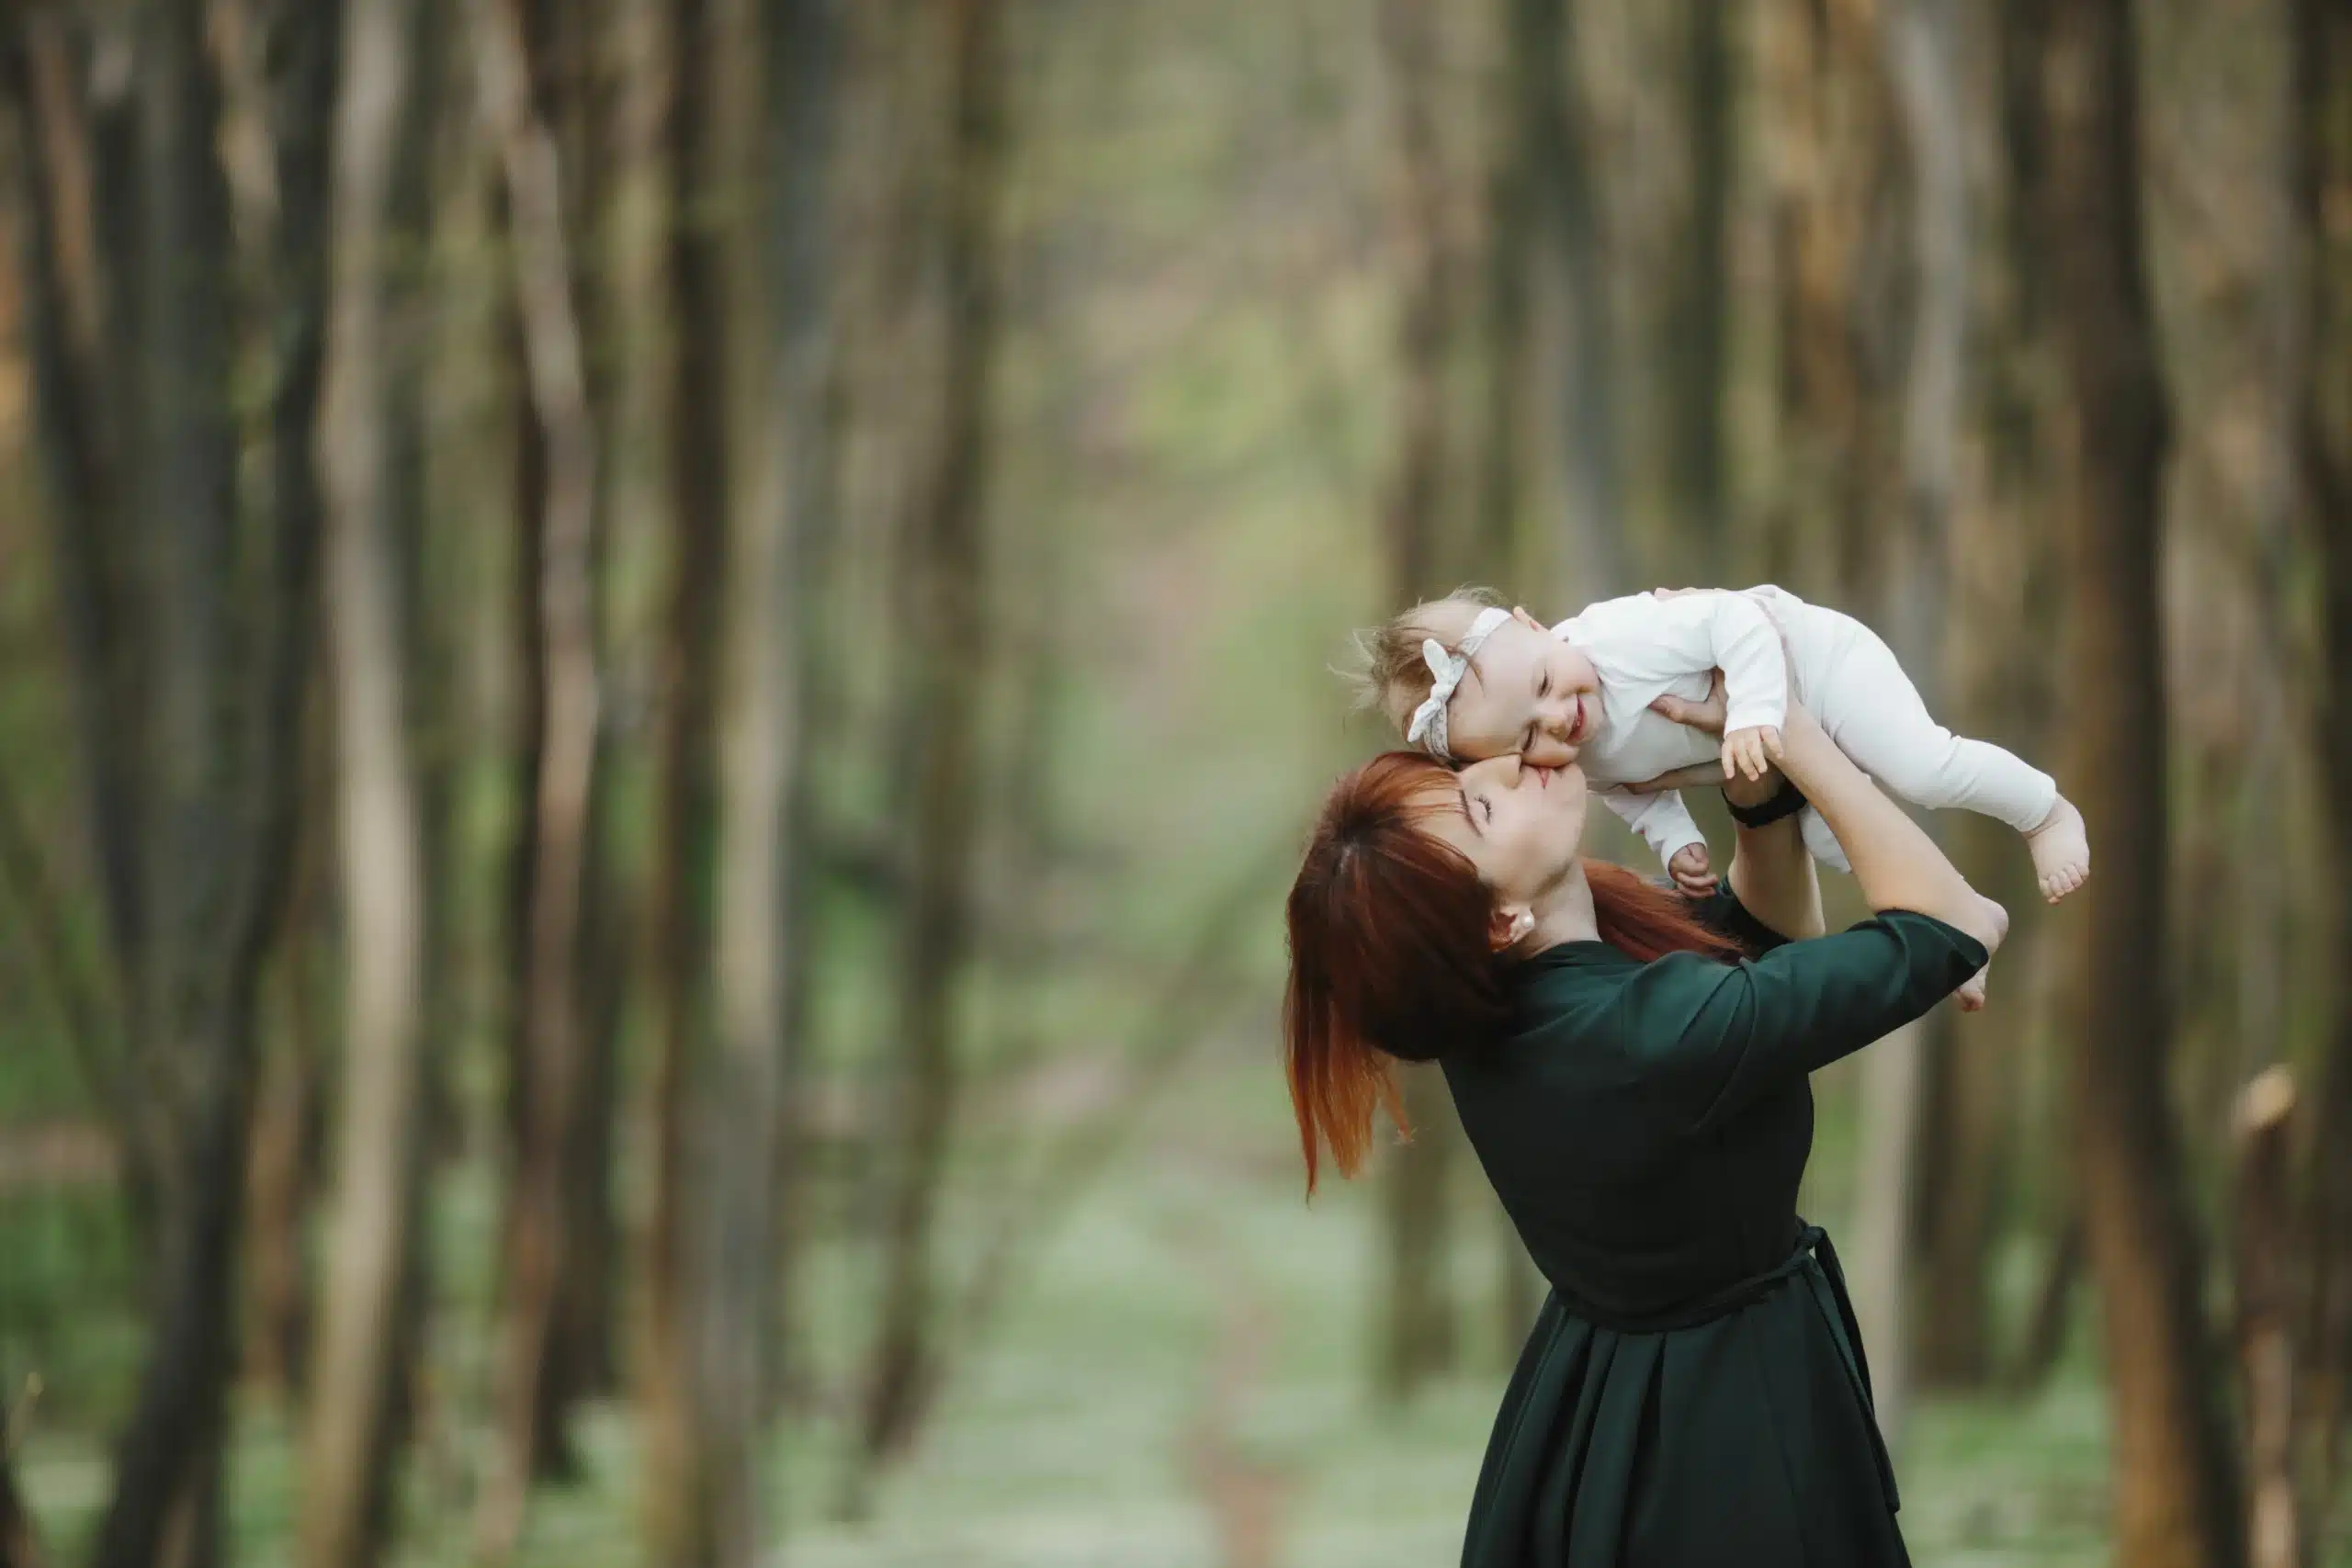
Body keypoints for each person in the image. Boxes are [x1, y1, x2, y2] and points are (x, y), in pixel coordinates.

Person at [1283, 683, 2007, 1567]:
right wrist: (1799, 738)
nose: (1514, 761)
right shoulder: (1638, 1036)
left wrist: (1754, 791)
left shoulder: (1516, 1006)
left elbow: (1752, 949)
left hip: (1605, 1399)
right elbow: (1950, 927)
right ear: (1500, 920)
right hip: (1735, 1420)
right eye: (1482, 804)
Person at [1350, 584, 2090, 911]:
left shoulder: (1615, 640)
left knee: (1922, 767)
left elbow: (1735, 619)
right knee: (1839, 846)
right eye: (1528, 736)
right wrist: (1674, 841)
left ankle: (2044, 811)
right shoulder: (1580, 759)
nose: (1559, 719)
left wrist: (1756, 712)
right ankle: (1954, 914)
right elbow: (1636, 791)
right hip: (1779, 752)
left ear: (1536, 626)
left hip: (1815, 664)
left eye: (1546, 682)